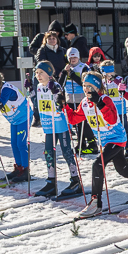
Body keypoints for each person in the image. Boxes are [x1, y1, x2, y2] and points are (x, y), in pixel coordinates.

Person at [65, 71, 128, 216]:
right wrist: (63, 105)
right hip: (106, 141)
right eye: (84, 86)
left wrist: (100, 103)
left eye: (89, 86)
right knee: (121, 168)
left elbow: (111, 119)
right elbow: (73, 119)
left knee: (97, 164)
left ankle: (96, 203)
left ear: (97, 88)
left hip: (117, 138)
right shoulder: (85, 103)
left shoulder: (106, 100)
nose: (86, 89)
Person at [33, 60, 82, 199]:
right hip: (48, 125)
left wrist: (56, 95)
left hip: (60, 124)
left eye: (41, 72)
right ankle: (51, 181)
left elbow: (60, 104)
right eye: (36, 73)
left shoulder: (55, 85)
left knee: (66, 152)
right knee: (48, 153)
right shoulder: (38, 86)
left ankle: (75, 181)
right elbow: (37, 102)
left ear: (49, 73)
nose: (38, 75)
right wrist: (30, 90)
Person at [0, 68, 31, 183]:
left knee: (21, 144)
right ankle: (19, 168)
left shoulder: (6, 89)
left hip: (24, 117)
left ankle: (26, 171)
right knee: (14, 144)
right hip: (14, 120)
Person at [100, 56, 128, 161]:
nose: (109, 75)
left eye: (111, 72)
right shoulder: (102, 82)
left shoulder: (118, 79)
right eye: (107, 73)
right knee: (112, 131)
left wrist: (116, 81)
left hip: (120, 110)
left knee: (124, 130)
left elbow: (121, 84)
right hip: (109, 111)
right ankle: (115, 151)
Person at [60, 47, 94, 153]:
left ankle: (90, 143)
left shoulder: (83, 67)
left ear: (78, 57)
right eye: (71, 57)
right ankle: (81, 144)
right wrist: (65, 73)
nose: (73, 59)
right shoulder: (66, 68)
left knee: (83, 122)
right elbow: (60, 84)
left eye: (74, 57)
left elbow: (83, 82)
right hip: (70, 98)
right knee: (75, 123)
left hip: (82, 98)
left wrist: (72, 75)